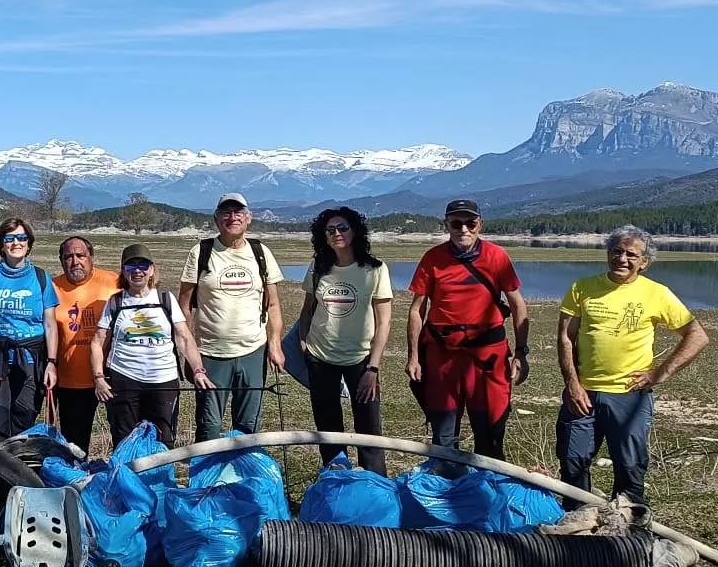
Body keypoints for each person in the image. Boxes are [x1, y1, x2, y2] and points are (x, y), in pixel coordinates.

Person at [556, 227, 709, 506]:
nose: (622, 259)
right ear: (608, 253)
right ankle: (575, 529)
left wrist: (659, 374)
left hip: (629, 396)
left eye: (631, 254)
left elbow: (697, 335)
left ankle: (627, 533)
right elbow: (566, 337)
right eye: (616, 251)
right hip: (582, 394)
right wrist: (572, 384)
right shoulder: (581, 288)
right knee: (572, 462)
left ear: (644, 262)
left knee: (630, 466)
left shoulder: (657, 293)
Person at [405, 199, 531, 461]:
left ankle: (487, 492)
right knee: (443, 431)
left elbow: (518, 305)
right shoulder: (433, 258)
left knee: (490, 428)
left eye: (470, 223)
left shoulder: (497, 257)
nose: (463, 229)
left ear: (479, 225)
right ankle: (445, 489)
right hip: (442, 355)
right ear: (447, 226)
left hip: (487, 356)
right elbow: (417, 310)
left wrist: (521, 351)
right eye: (456, 223)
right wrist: (414, 357)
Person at [178, 192, 286, 442]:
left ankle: (243, 476)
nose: (232, 217)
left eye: (238, 212)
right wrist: (188, 350)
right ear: (216, 219)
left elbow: (274, 304)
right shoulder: (201, 251)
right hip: (210, 354)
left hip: (253, 351)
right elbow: (185, 307)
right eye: (226, 212)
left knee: (249, 425)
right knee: (209, 426)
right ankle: (207, 479)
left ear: (249, 218)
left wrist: (275, 343)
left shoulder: (261, 252)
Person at [294, 208, 393, 475]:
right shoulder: (318, 267)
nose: (337, 234)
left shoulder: (374, 269)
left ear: (355, 231)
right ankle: (336, 479)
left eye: (343, 228)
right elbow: (307, 309)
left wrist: (373, 368)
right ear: (323, 236)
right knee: (328, 427)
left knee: (369, 429)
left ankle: (374, 483)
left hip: (360, 361)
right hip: (320, 357)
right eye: (330, 230)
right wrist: (304, 343)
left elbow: (384, 321)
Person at [90, 244, 210, 446]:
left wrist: (198, 370)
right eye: (130, 266)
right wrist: (99, 378)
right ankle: (127, 476)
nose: (137, 271)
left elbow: (185, 338)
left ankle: (160, 477)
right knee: (124, 441)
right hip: (124, 380)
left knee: (163, 440)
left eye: (143, 265)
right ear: (123, 271)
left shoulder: (166, 299)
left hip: (163, 380)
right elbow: (97, 341)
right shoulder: (115, 302)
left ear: (152, 270)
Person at [0, 218, 60, 442]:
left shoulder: (41, 278)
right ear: (2, 244)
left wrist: (52, 363)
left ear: (29, 243)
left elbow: (50, 324)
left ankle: (19, 470)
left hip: (30, 360)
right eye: (10, 238)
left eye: (21, 238)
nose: (16, 243)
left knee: (24, 417)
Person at [51, 236, 120, 453]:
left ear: (91, 257)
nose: (75, 262)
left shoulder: (114, 282)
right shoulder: (52, 287)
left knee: (122, 436)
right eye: (68, 257)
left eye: (80, 255)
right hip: (71, 381)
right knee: (75, 446)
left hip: (113, 377)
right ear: (62, 261)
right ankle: (78, 483)